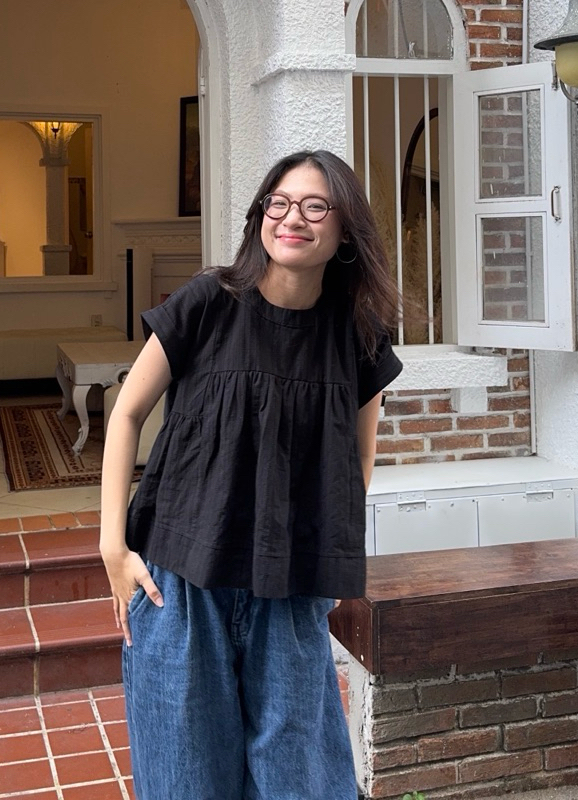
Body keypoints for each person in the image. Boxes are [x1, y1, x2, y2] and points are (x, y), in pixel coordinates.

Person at [100, 150, 403, 800]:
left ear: (345, 230)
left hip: (290, 590)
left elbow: (360, 457)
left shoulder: (359, 335)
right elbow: (126, 412)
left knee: (302, 783)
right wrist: (113, 547)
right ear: (261, 214)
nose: (292, 218)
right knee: (185, 782)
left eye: (315, 206)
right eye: (279, 202)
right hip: (182, 585)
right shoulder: (208, 302)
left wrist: (327, 557)